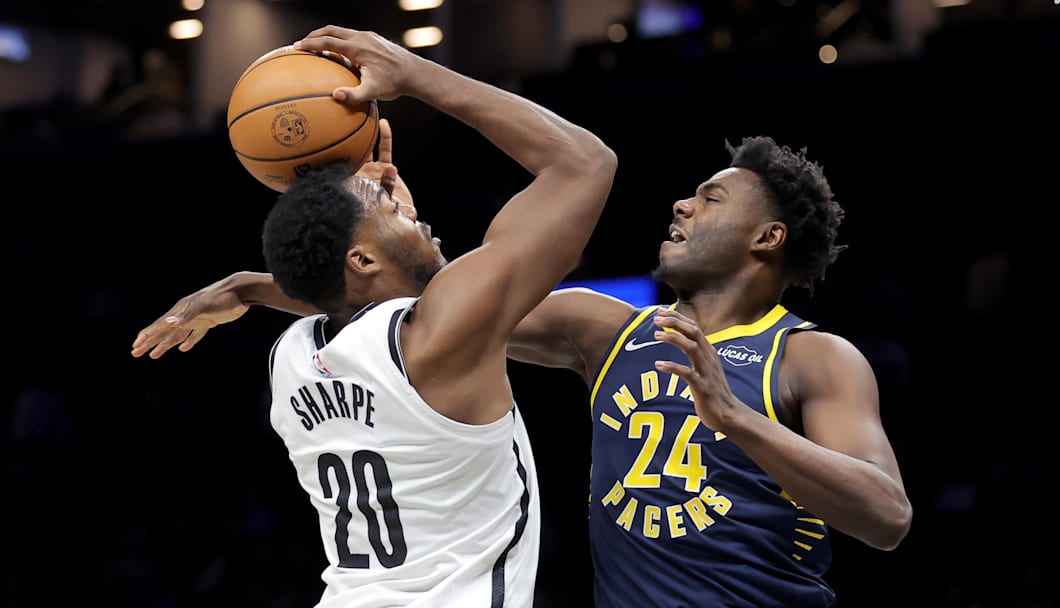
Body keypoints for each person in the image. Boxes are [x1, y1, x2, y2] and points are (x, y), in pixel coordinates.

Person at [134, 133, 911, 605]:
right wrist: (249, 286)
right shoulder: (603, 330)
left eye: (710, 200)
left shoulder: (813, 355)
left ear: (767, 239)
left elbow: (887, 517)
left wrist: (736, 420)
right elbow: (427, 308)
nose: (680, 204)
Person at [132, 25, 617, 608]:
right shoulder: (435, 337)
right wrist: (414, 75)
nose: (413, 211)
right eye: (393, 208)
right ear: (360, 258)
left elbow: (354, 300)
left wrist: (261, 282)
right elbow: (584, 163)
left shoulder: (289, 358)